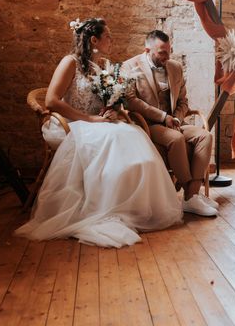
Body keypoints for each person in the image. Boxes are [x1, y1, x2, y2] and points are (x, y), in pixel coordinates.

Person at [16, 18, 182, 248]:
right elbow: (52, 101)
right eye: (108, 37)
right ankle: (103, 207)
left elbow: (107, 102)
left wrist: (111, 110)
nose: (112, 40)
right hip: (73, 122)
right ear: (94, 40)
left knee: (134, 137)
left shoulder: (101, 66)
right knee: (116, 140)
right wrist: (90, 119)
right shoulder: (69, 62)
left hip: (98, 122)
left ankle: (132, 207)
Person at [123, 30, 218, 217]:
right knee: (176, 139)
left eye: (169, 51)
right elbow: (131, 101)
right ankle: (191, 197)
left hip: (173, 121)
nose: (167, 57)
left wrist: (176, 118)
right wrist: (162, 116)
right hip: (148, 123)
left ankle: (191, 195)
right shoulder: (130, 66)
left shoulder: (175, 67)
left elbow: (183, 101)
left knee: (205, 136)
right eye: (162, 53)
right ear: (147, 50)